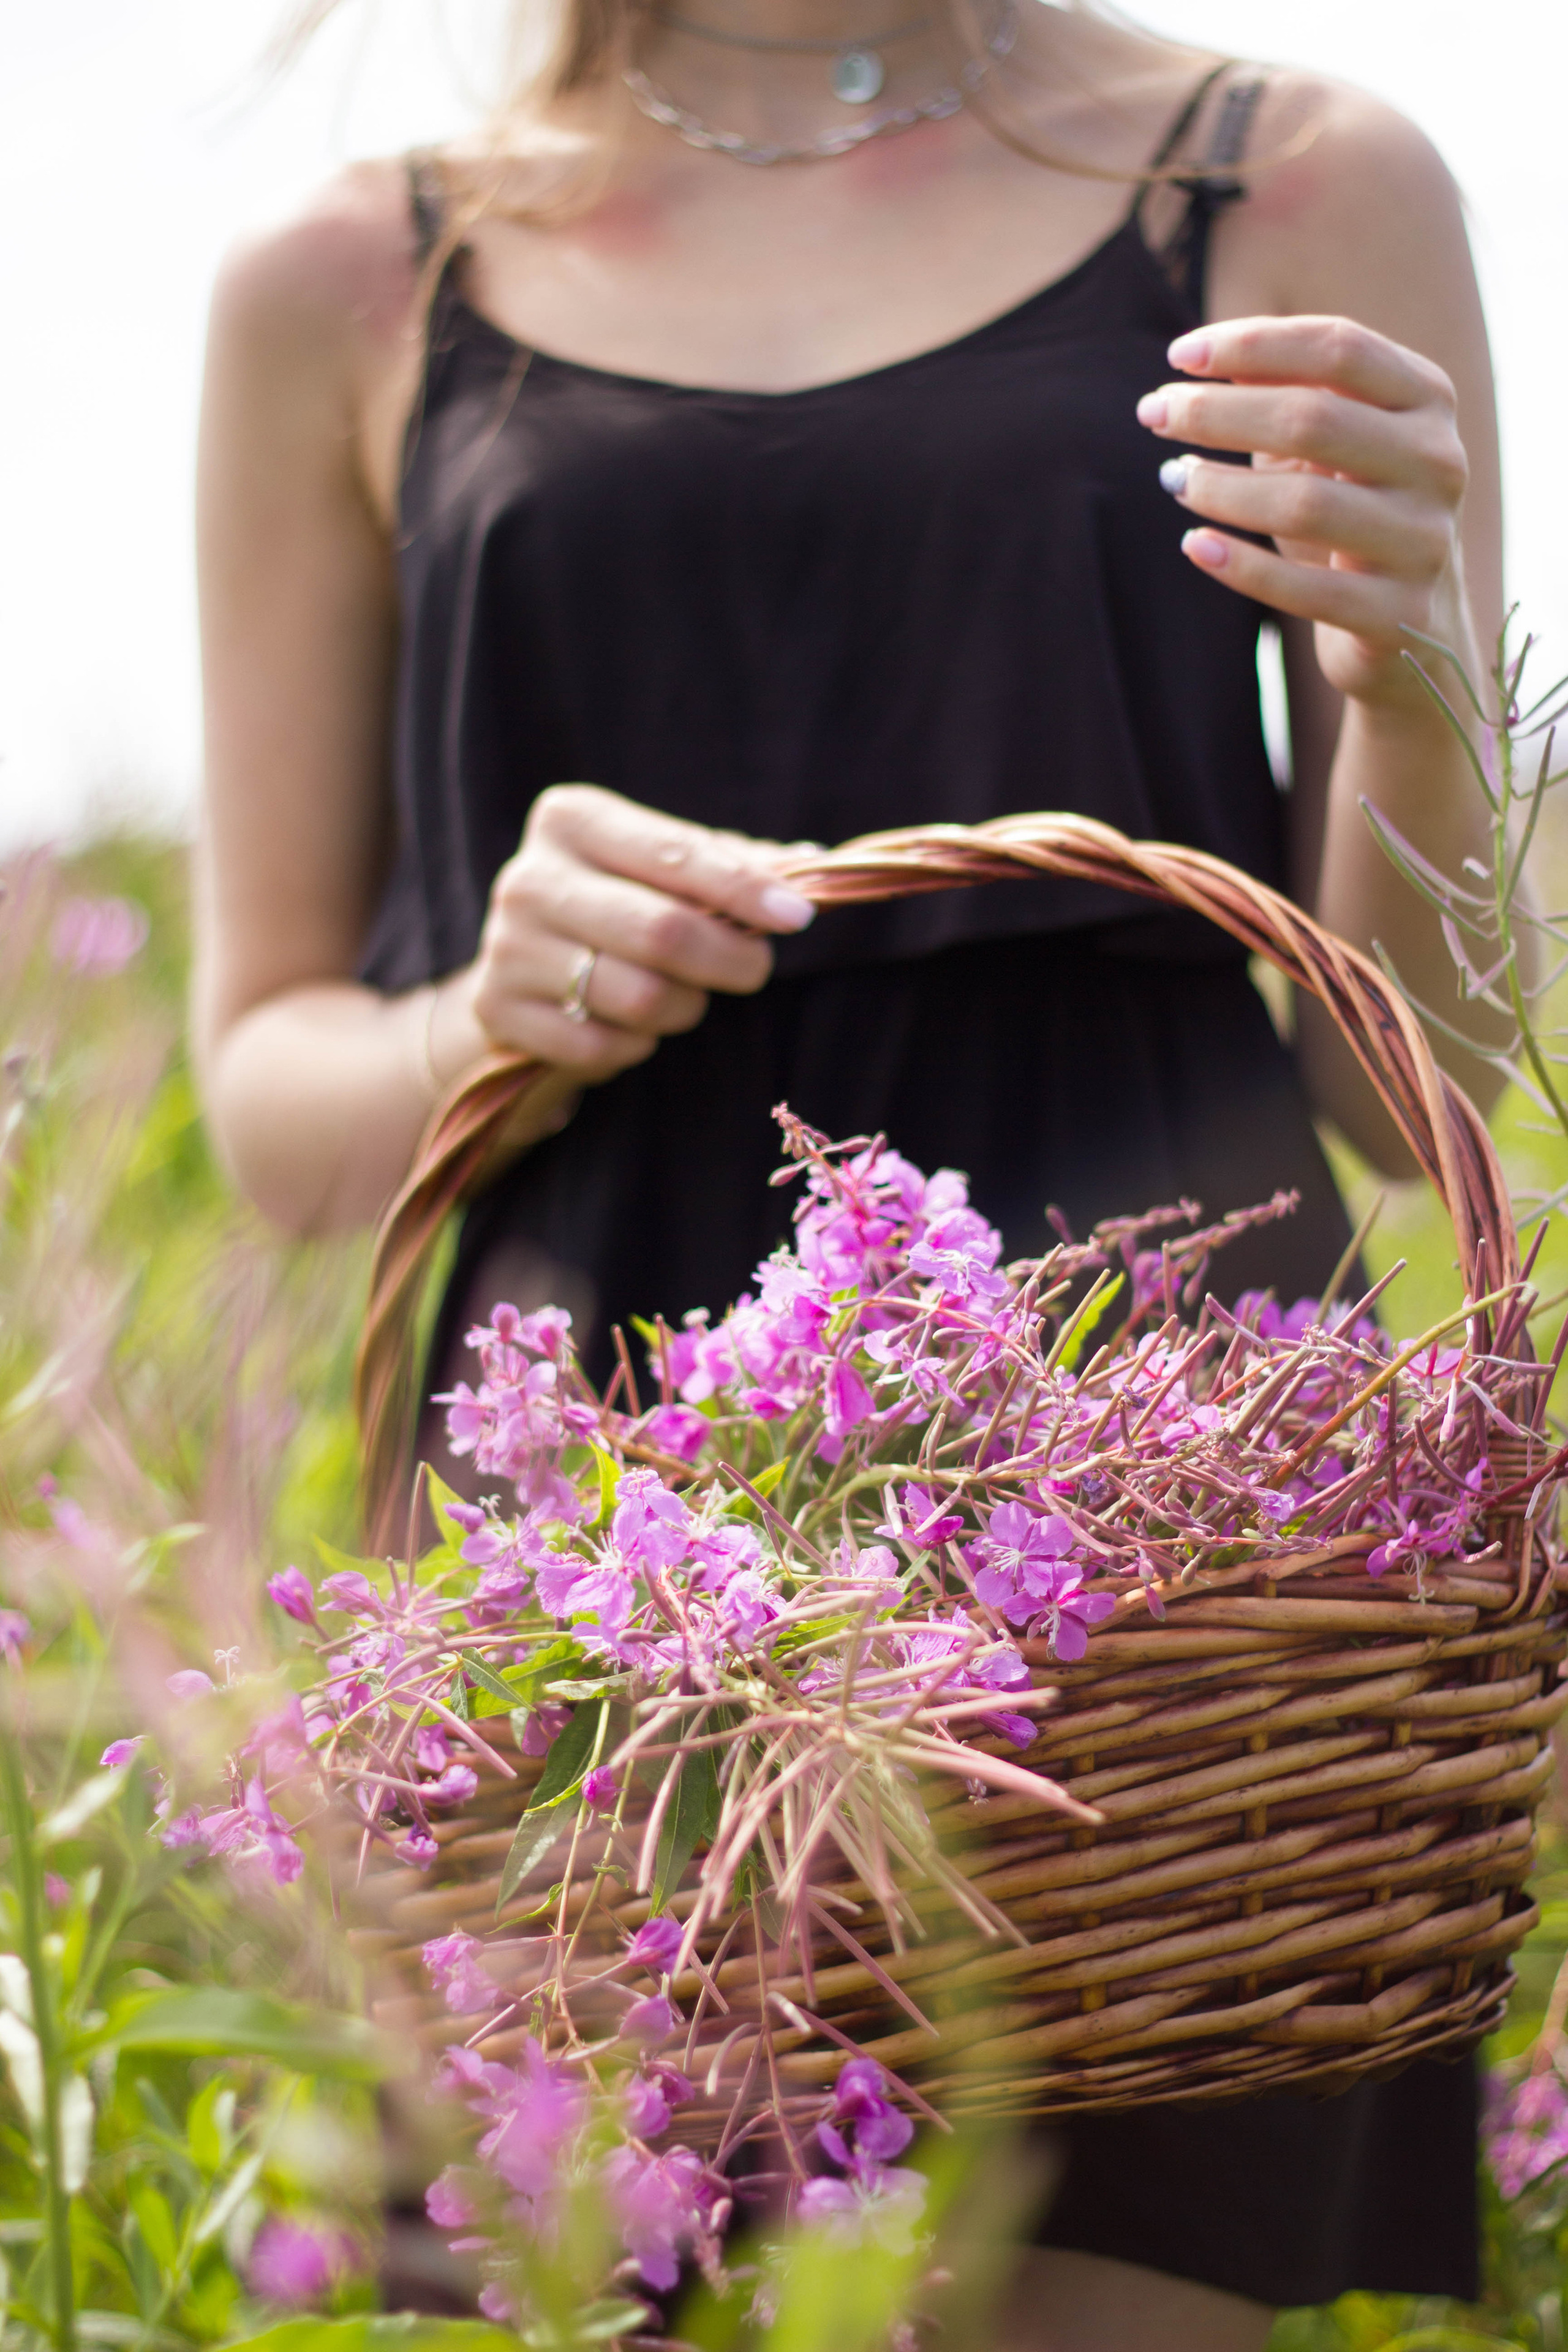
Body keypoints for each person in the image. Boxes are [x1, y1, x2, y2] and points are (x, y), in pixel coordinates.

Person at [193, 0, 1507, 2339]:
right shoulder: (349, 286)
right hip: (595, 1589)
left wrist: (1413, 685)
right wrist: (481, 1017)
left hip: (1173, 1580)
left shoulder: (1292, 185)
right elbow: (276, 1110)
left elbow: (1404, 1065)